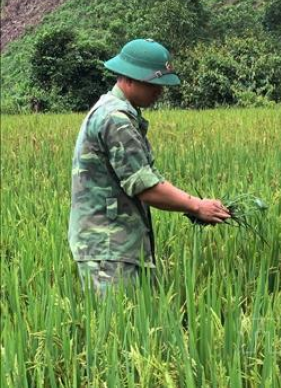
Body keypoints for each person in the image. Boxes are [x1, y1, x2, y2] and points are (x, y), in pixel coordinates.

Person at [69, 39, 231, 296]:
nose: (160, 91)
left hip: (118, 245)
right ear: (130, 79)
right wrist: (197, 205)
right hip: (109, 249)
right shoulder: (116, 120)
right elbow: (146, 186)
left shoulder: (117, 112)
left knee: (140, 327)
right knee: (119, 331)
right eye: (153, 84)